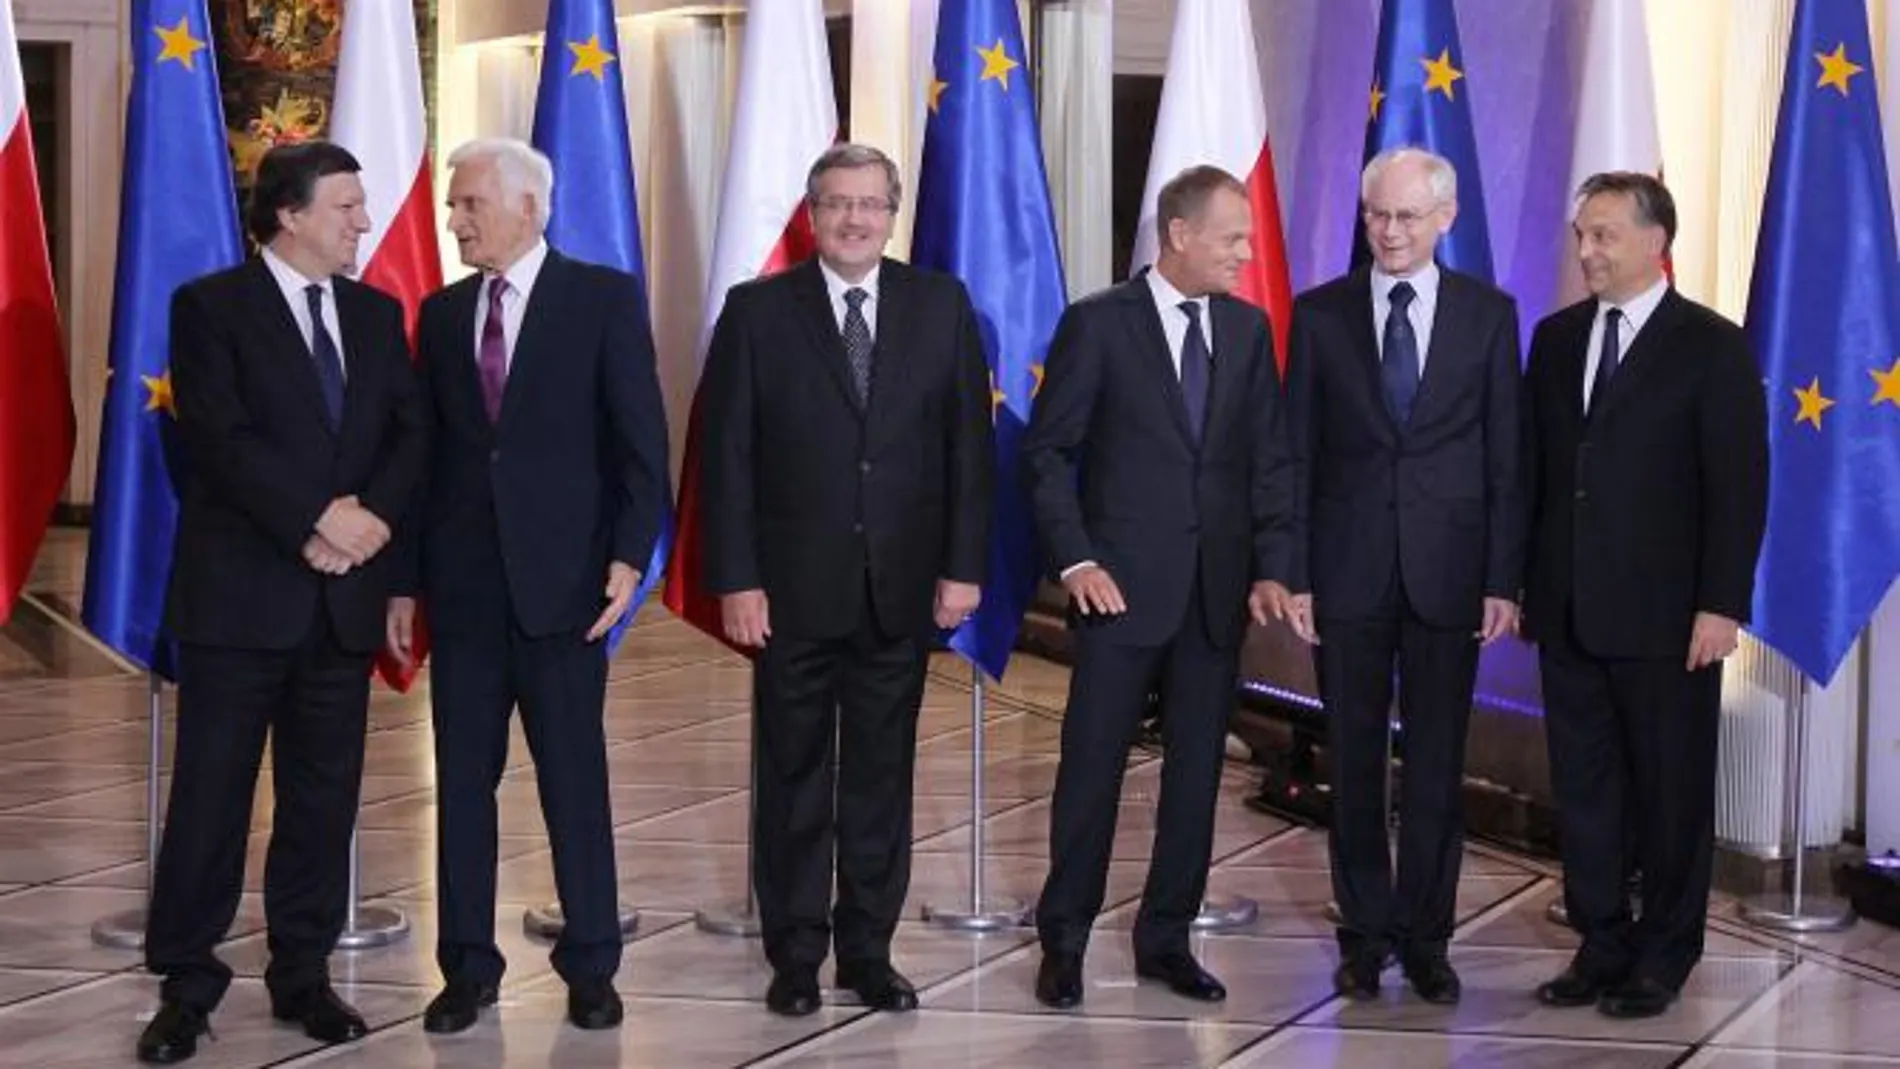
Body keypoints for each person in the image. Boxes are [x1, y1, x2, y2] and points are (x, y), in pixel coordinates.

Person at [138, 141, 426, 1064]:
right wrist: (315, 518)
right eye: (346, 206)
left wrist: (370, 525)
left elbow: (410, 433)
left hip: (342, 604)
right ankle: (186, 986)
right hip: (239, 602)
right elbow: (218, 440)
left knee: (322, 801)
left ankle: (303, 974)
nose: (364, 222)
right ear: (289, 215)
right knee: (210, 800)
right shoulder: (210, 306)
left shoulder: (376, 313)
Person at [697, 142, 992, 1017]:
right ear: (813, 213)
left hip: (899, 590)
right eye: (837, 203)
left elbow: (968, 448)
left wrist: (963, 566)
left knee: (879, 782)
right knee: (792, 780)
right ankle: (795, 956)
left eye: (870, 204)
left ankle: (868, 951)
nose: (854, 219)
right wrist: (736, 579)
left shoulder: (940, 304)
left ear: (891, 214)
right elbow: (726, 456)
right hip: (788, 594)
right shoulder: (756, 311)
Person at [386, 137, 669, 1033]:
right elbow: (424, 461)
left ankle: (592, 964)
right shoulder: (442, 314)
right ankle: (467, 968)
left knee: (573, 784)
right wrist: (404, 582)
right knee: (462, 789)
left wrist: (630, 555)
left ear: (529, 207)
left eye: (469, 203)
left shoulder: (602, 299)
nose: (454, 220)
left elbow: (641, 443)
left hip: (566, 591)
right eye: (453, 205)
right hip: (465, 594)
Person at [1023, 165, 1295, 1010]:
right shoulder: (1099, 323)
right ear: (1179, 233)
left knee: (1196, 775)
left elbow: (1268, 458)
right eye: (1232, 237)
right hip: (1118, 593)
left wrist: (1273, 565)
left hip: (1214, 597)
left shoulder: (1248, 329)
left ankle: (1167, 937)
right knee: (1091, 770)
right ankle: (1064, 940)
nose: (1246, 253)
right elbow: (1049, 454)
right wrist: (1077, 560)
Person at [1277, 146, 1523, 1005]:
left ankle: (1427, 939)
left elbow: (1506, 458)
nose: (1388, 231)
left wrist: (1502, 579)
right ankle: (1364, 935)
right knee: (1352, 763)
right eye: (1376, 214)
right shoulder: (1320, 314)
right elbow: (1297, 453)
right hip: (1345, 577)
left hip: (1449, 577)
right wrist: (1294, 572)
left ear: (1445, 218)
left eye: (1407, 216)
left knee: (1435, 766)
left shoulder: (1490, 316)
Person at [1522, 171, 1767, 1019]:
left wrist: (1722, 603)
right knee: (1585, 790)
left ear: (1655, 242)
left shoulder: (1712, 346)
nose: (1586, 250)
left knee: (1669, 792)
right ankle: (1600, 941)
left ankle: (1665, 952)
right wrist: (1520, 584)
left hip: (1670, 619)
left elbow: (1737, 487)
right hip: (1568, 609)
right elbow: (1537, 473)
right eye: (1581, 235)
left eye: (1603, 235)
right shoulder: (1556, 339)